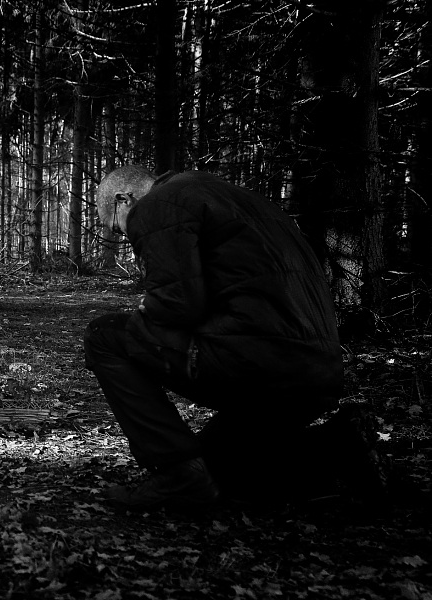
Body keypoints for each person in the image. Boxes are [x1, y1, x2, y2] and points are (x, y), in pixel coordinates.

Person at [84, 165, 381, 509]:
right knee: (214, 469)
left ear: (124, 200)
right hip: (315, 374)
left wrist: (146, 311)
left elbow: (178, 304)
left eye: (116, 227)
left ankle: (175, 475)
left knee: (105, 335)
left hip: (256, 366)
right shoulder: (238, 199)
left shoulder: (157, 205)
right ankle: (339, 447)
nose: (124, 235)